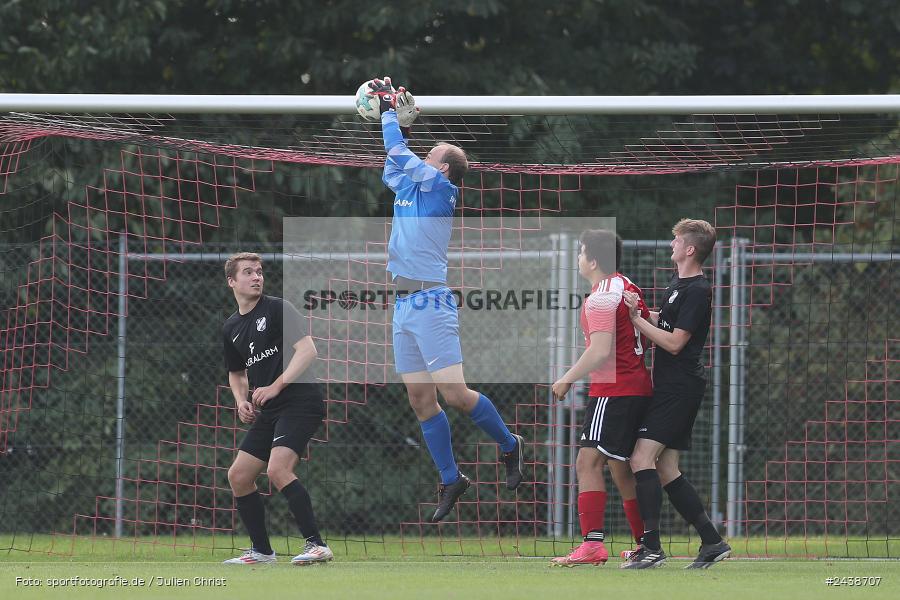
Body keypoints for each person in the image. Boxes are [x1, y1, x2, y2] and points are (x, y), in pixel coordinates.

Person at [369, 78, 525, 522]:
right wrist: (392, 117)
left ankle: (511, 445)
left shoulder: (441, 190)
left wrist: (388, 114)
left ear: (441, 169)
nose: (424, 157)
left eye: (430, 154)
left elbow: (399, 154)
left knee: (454, 393)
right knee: (420, 399)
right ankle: (451, 477)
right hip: (402, 305)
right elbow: (393, 163)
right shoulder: (413, 185)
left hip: (431, 302)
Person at [620, 219, 731, 569]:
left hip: (681, 387)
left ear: (690, 249)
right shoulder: (678, 285)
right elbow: (665, 323)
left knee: (640, 457)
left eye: (676, 241)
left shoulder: (698, 289)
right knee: (666, 468)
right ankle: (712, 541)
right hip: (669, 386)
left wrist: (636, 322)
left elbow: (673, 342)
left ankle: (650, 548)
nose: (672, 246)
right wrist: (639, 312)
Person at [221, 252, 333, 566]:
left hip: (300, 400)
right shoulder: (231, 327)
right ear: (232, 281)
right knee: (239, 476)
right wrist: (241, 400)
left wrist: (276, 385)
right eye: (248, 272)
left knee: (277, 469)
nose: (256, 277)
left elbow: (307, 350)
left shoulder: (278, 308)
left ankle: (317, 545)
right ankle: (262, 552)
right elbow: (236, 373)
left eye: (259, 272)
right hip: (270, 409)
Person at [549, 229, 651, 566]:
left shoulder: (602, 296)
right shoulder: (628, 287)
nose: (578, 259)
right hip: (636, 386)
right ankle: (645, 543)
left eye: (581, 253)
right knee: (620, 467)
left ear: (592, 260)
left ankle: (592, 544)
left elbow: (600, 350)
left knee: (586, 462)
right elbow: (643, 334)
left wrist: (566, 379)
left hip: (614, 390)